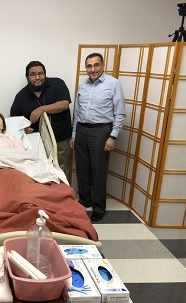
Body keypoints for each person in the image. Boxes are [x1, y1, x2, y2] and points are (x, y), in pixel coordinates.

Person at [70, 53, 126, 221]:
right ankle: (85, 200)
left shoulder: (113, 84)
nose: (92, 69)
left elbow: (120, 113)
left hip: (101, 131)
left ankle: (99, 207)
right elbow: (77, 112)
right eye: (89, 66)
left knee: (98, 171)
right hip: (81, 130)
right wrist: (74, 134)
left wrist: (112, 136)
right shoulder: (83, 85)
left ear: (102, 66)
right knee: (82, 169)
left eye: (96, 65)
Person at [11, 61, 72, 179]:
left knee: (60, 172)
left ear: (45, 74)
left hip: (59, 140)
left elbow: (64, 104)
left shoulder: (57, 84)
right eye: (33, 74)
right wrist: (23, 128)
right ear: (27, 77)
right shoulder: (21, 96)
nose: (37, 77)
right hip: (36, 143)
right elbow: (14, 118)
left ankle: (61, 196)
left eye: (41, 73)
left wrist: (41, 109)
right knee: (39, 174)